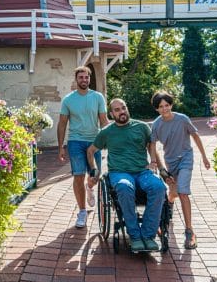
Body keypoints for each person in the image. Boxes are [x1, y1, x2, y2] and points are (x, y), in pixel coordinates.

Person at [86, 98, 167, 252]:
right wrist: (94, 169)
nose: (121, 111)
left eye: (123, 108)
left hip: (142, 171)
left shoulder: (142, 127)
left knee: (158, 187)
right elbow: (90, 151)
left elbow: (152, 145)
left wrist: (157, 164)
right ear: (111, 114)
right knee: (124, 186)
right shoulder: (107, 132)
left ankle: (148, 236)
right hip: (119, 172)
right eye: (117, 110)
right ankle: (135, 236)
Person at [150, 90, 210, 250]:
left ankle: (189, 231)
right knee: (174, 191)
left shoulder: (182, 119)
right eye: (161, 106)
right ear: (156, 109)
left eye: (167, 105)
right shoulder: (156, 124)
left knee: (183, 191)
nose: (165, 109)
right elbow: (153, 144)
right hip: (170, 161)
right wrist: (155, 162)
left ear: (171, 105)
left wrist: (204, 156)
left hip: (186, 158)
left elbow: (195, 136)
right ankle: (169, 202)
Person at [57, 66, 109, 229]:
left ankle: (90, 187)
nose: (84, 80)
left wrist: (109, 140)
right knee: (78, 175)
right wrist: (60, 147)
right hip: (75, 141)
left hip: (94, 142)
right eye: (81, 77)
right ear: (76, 79)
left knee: (95, 176)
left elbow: (104, 121)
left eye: (86, 77)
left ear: (89, 79)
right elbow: (62, 123)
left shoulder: (98, 97)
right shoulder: (68, 99)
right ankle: (81, 212)